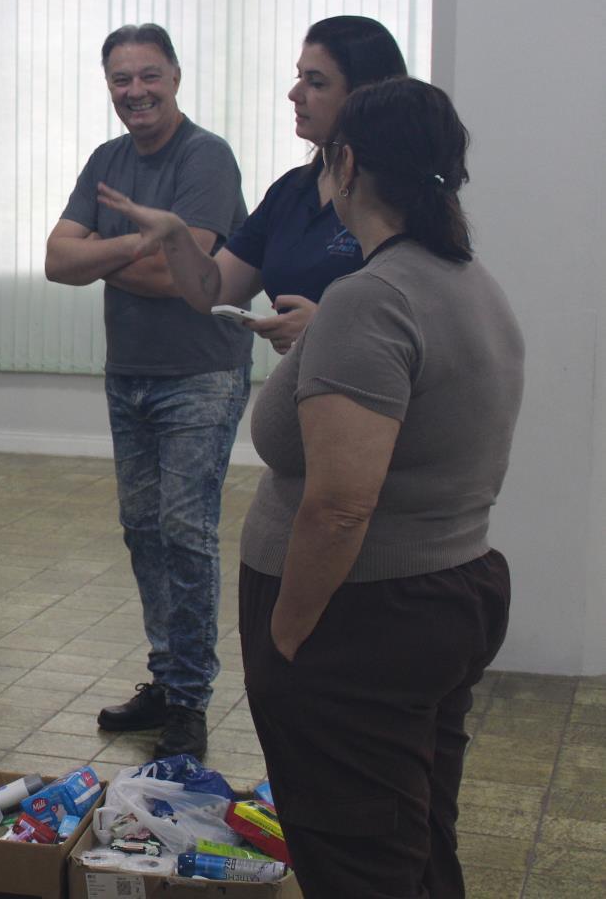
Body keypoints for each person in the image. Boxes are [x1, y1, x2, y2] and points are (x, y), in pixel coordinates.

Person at [213, 79, 516, 896]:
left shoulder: (372, 299)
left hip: (361, 620)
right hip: (442, 596)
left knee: (355, 861)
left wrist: (286, 636)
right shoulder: (467, 281)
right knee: (414, 839)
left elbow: (341, 505)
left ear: (345, 166)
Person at [44, 24, 252, 759]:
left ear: (175, 77)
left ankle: (189, 700)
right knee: (142, 531)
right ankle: (166, 679)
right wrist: (140, 241)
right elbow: (55, 260)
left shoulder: (206, 157)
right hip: (129, 373)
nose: (135, 91)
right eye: (121, 79)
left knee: (185, 533)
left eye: (149, 76)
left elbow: (181, 277)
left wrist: (103, 256)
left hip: (201, 374)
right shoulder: (108, 160)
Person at [104, 16, 409, 354]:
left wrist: (326, 325)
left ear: (364, 94)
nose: (295, 94)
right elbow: (214, 291)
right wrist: (175, 234)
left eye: (316, 83)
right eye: (298, 77)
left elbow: (426, 318)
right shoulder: (292, 191)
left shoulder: (400, 194)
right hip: (305, 382)